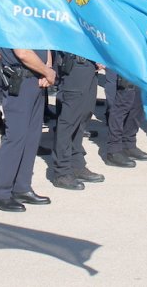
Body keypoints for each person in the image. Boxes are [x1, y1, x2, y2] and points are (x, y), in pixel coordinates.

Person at [0, 43, 54, 210]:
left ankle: (22, 187)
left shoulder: (33, 18)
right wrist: (47, 72)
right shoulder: (16, 18)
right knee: (16, 137)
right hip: (20, 80)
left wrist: (47, 68)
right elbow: (23, 53)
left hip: (37, 79)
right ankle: (1, 194)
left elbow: (45, 42)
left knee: (31, 137)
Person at [105, 0, 147, 167]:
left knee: (136, 103)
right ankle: (114, 149)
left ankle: (129, 142)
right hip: (125, 57)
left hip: (141, 56)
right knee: (122, 103)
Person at [50, 51, 104, 189]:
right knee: (69, 120)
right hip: (74, 62)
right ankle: (62, 171)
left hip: (89, 63)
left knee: (83, 115)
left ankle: (77, 164)